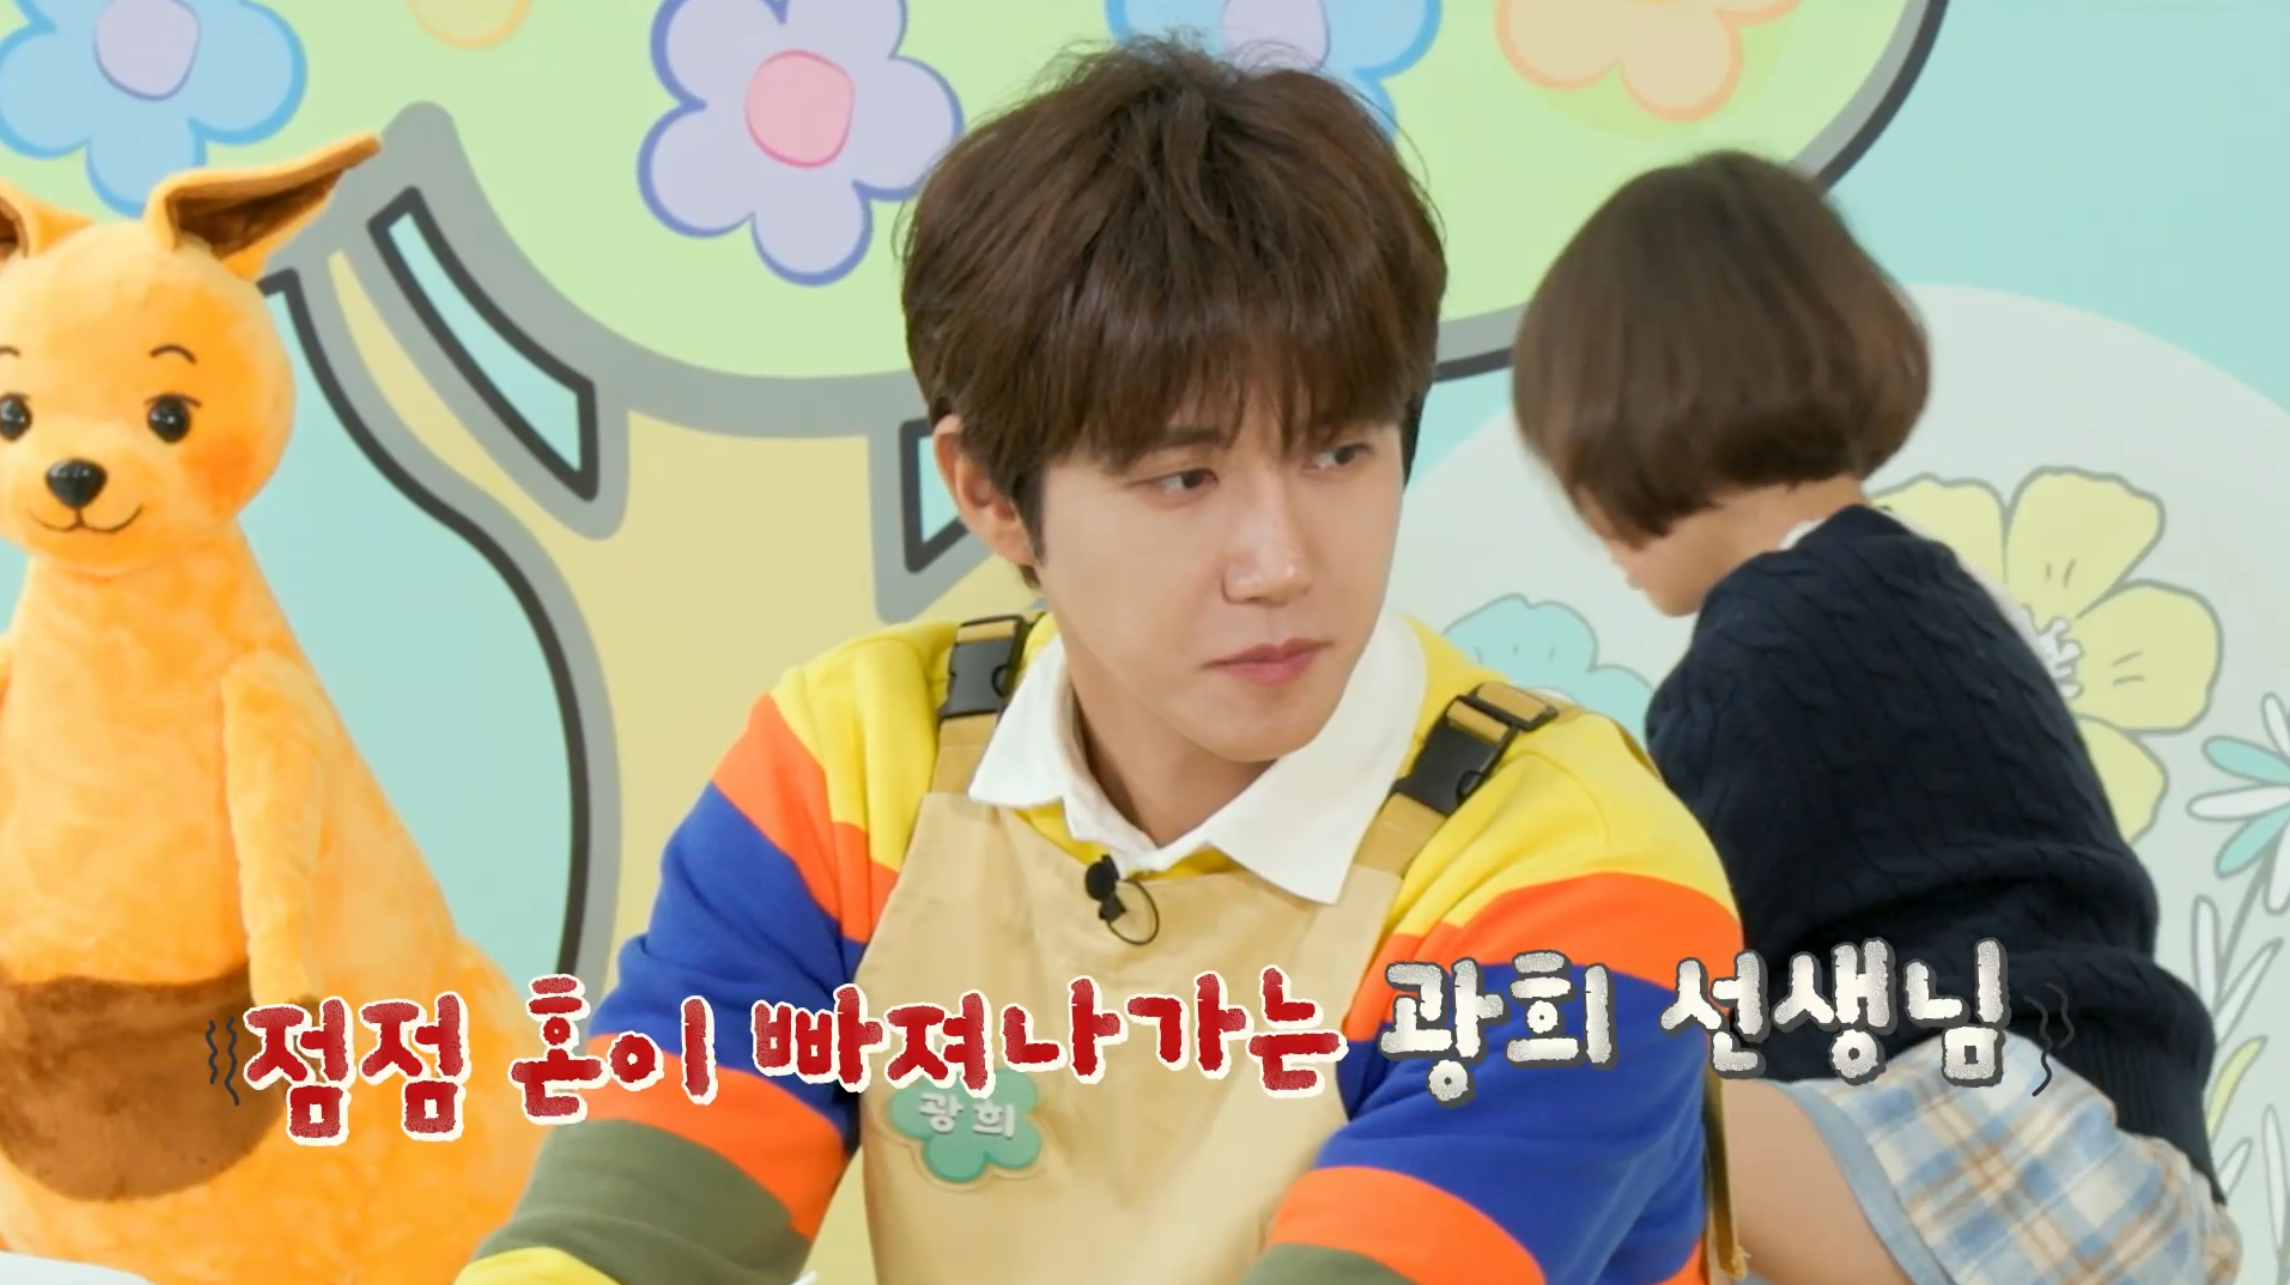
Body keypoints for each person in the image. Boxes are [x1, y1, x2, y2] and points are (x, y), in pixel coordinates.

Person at [457, 38, 1746, 1285]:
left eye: (1336, 452)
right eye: (1183, 476)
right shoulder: (856, 764)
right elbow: (626, 1231)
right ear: (989, 491)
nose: (1278, 562)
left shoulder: (1579, 875)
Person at [1508, 149, 2241, 1285]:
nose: (1590, 523)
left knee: (1586, 1074)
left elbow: (1688, 952)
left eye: (1579, 470)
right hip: (2130, 1163)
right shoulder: (1934, 598)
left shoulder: (1758, 650)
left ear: (1647, 413)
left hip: (2007, 1141)